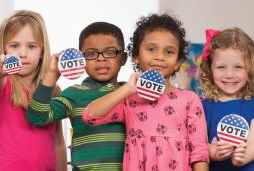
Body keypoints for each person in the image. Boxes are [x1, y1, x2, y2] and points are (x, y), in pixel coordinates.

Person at [82, 14, 209, 171]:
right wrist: (127, 89)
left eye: (169, 52)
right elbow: (90, 116)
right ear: (136, 56)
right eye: (151, 49)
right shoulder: (129, 99)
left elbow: (200, 151)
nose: (159, 57)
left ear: (177, 63)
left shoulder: (189, 99)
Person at [26, 22, 127, 170]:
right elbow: (37, 116)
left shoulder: (132, 93)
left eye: (110, 52)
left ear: (123, 58)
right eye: (91, 54)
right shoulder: (74, 94)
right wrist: (52, 75)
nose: (101, 59)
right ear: (81, 59)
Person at [0, 10, 66, 171]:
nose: (22, 53)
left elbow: (59, 143)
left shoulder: (54, 89)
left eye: (31, 46)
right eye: (14, 46)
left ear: (42, 50)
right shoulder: (4, 82)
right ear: (4, 49)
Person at [198, 28, 254, 171]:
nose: (229, 74)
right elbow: (196, 144)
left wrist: (244, 156)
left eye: (238, 67)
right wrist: (212, 152)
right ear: (210, 69)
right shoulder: (201, 105)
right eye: (221, 67)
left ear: (249, 68)